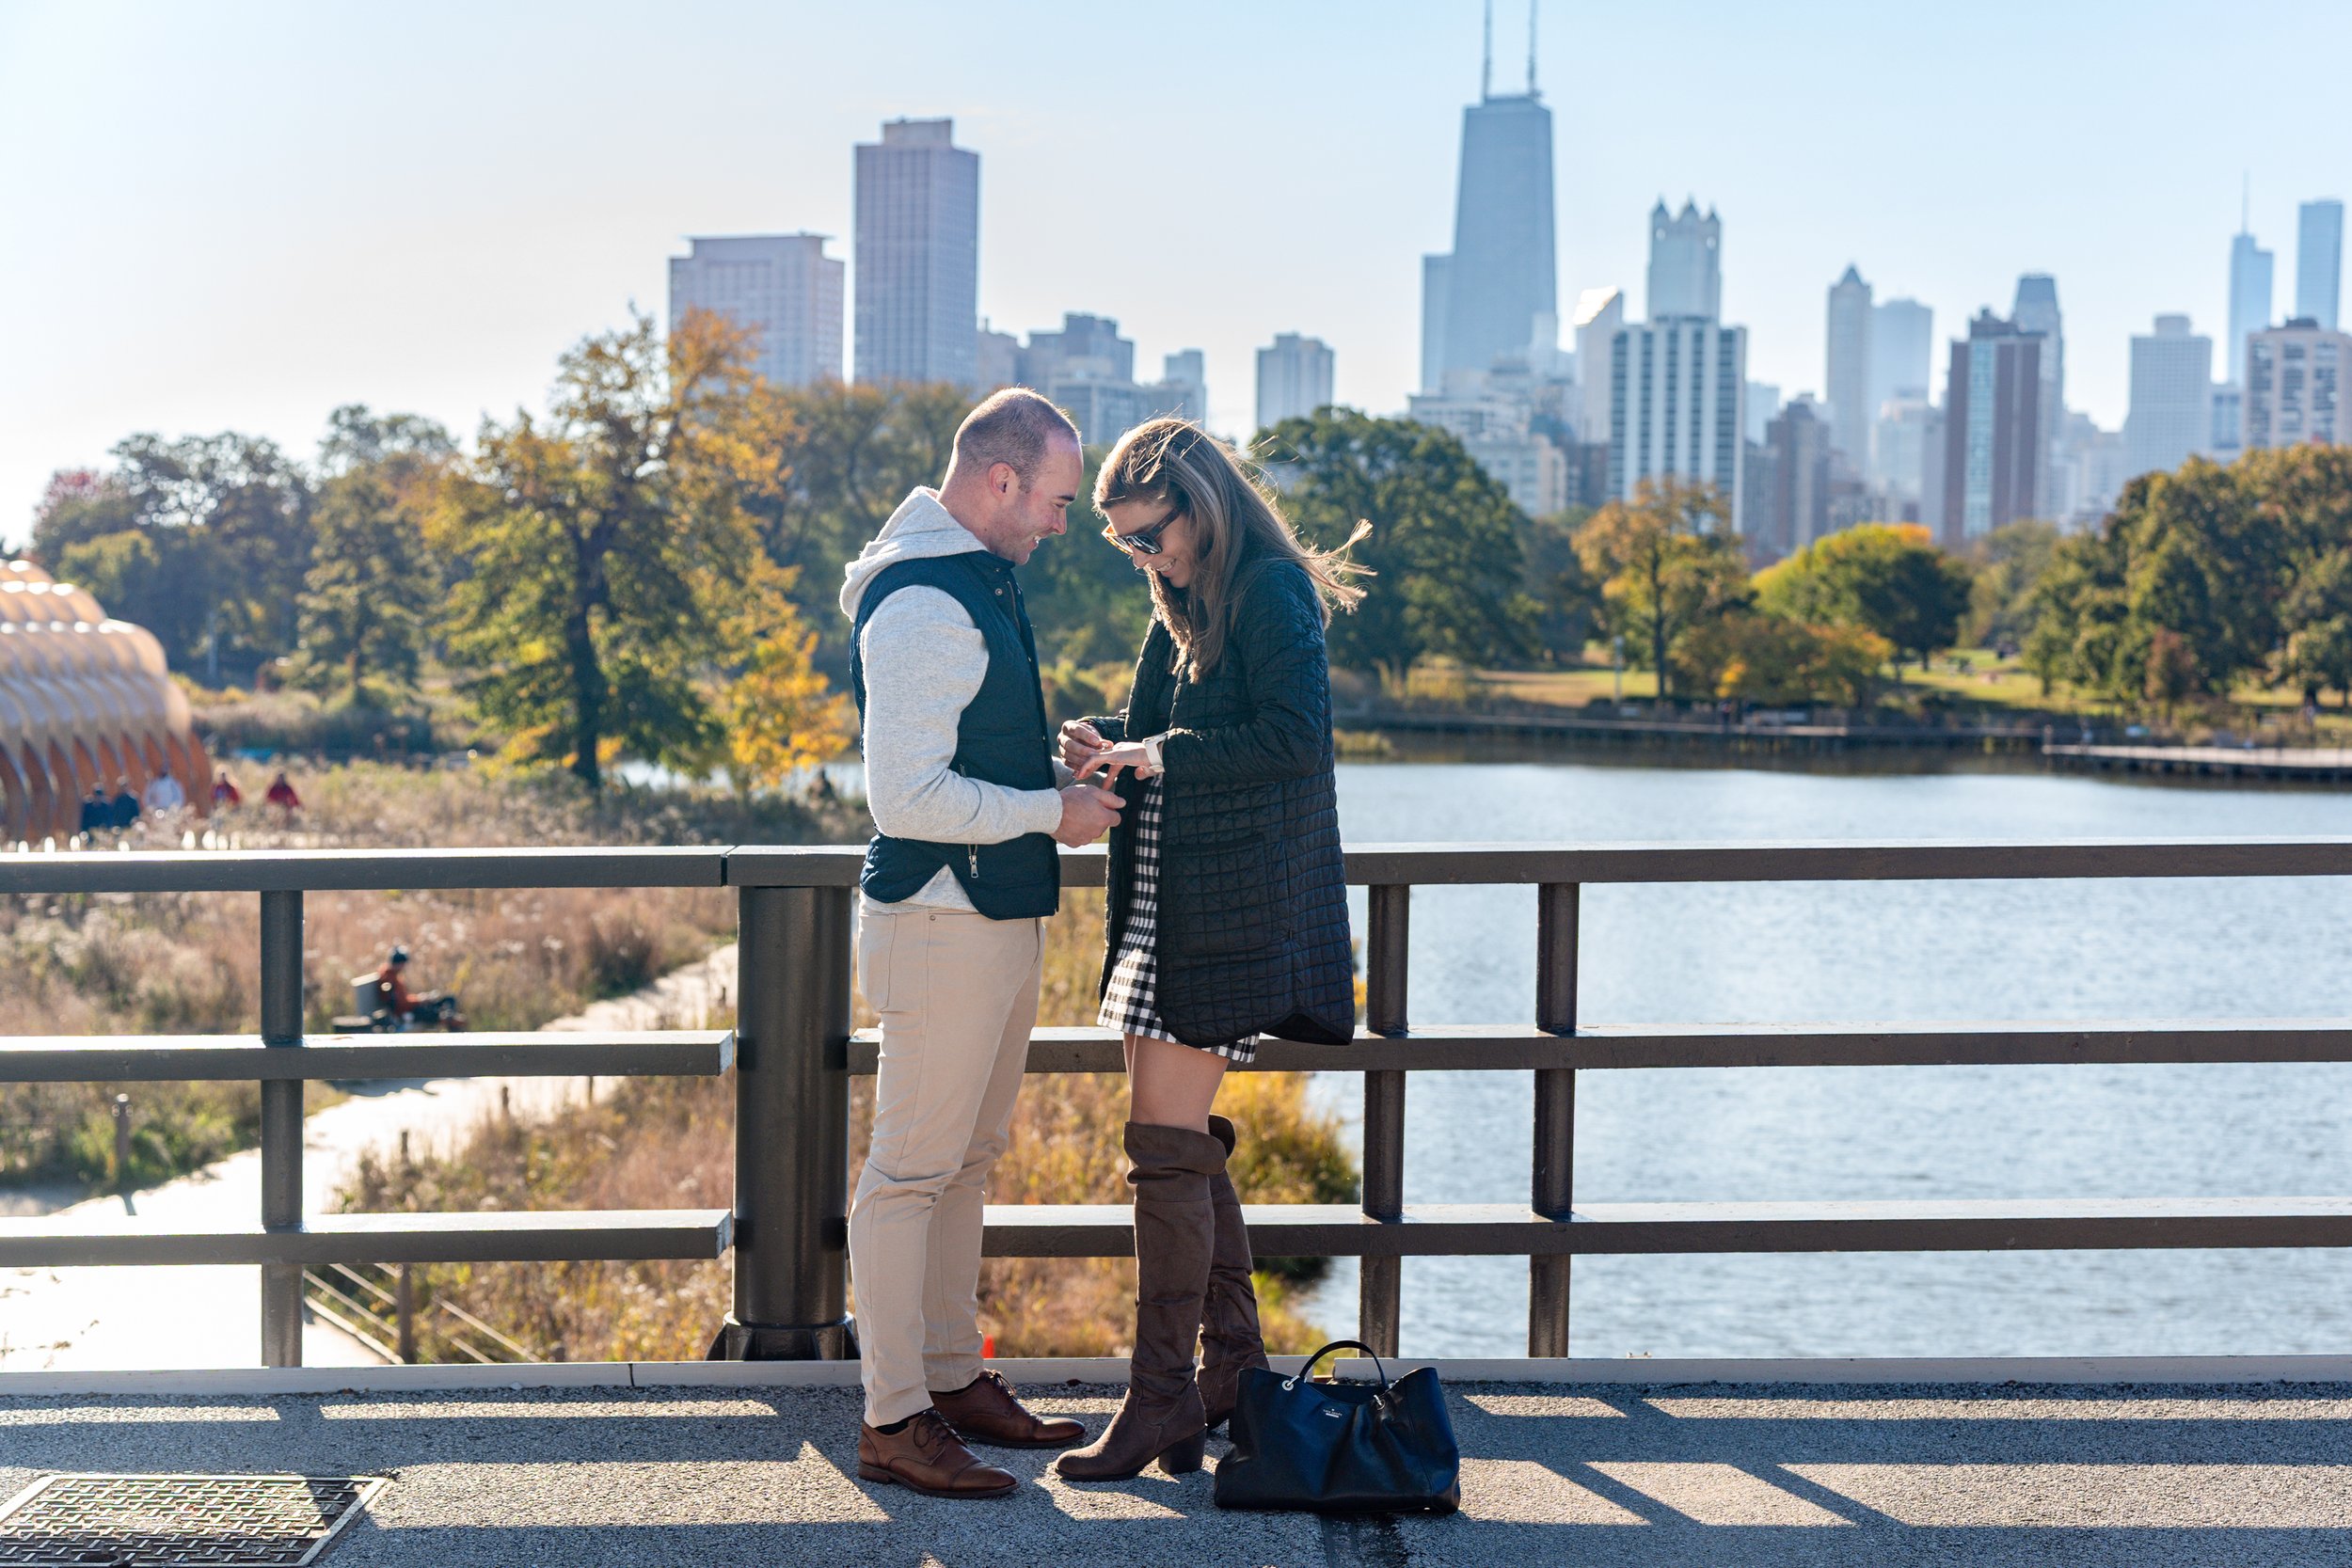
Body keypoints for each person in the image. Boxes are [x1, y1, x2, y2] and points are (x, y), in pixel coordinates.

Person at [1053, 418, 1365, 1483]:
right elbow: (1163, 732)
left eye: (1151, 535)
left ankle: (1160, 1398)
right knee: (1176, 1144)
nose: (1144, 557)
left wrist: (1159, 752)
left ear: (1198, 501)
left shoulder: (1269, 588)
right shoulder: (1181, 606)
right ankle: (1224, 1372)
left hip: (1231, 907)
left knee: (1163, 1148)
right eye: (1126, 544)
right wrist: (1107, 744)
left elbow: (1294, 735)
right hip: (1166, 900)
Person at [839, 388, 1124, 1499]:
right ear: (999, 481)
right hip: (941, 920)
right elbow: (904, 796)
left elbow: (957, 767)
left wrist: (1054, 782)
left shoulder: (973, 579)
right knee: (908, 1172)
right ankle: (893, 1418)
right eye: (1056, 500)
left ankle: (952, 1379)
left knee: (965, 1160)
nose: (1064, 523)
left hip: (988, 915)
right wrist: (1049, 815)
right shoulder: (922, 602)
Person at [373, 945, 459, 1028]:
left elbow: (403, 998)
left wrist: (420, 998)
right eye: (402, 963)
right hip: (407, 1012)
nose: (403, 967)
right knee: (441, 1015)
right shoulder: (389, 978)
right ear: (399, 963)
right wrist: (419, 1000)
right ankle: (450, 1022)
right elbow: (401, 1003)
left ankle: (450, 1019)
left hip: (410, 1007)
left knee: (449, 999)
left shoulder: (393, 975)